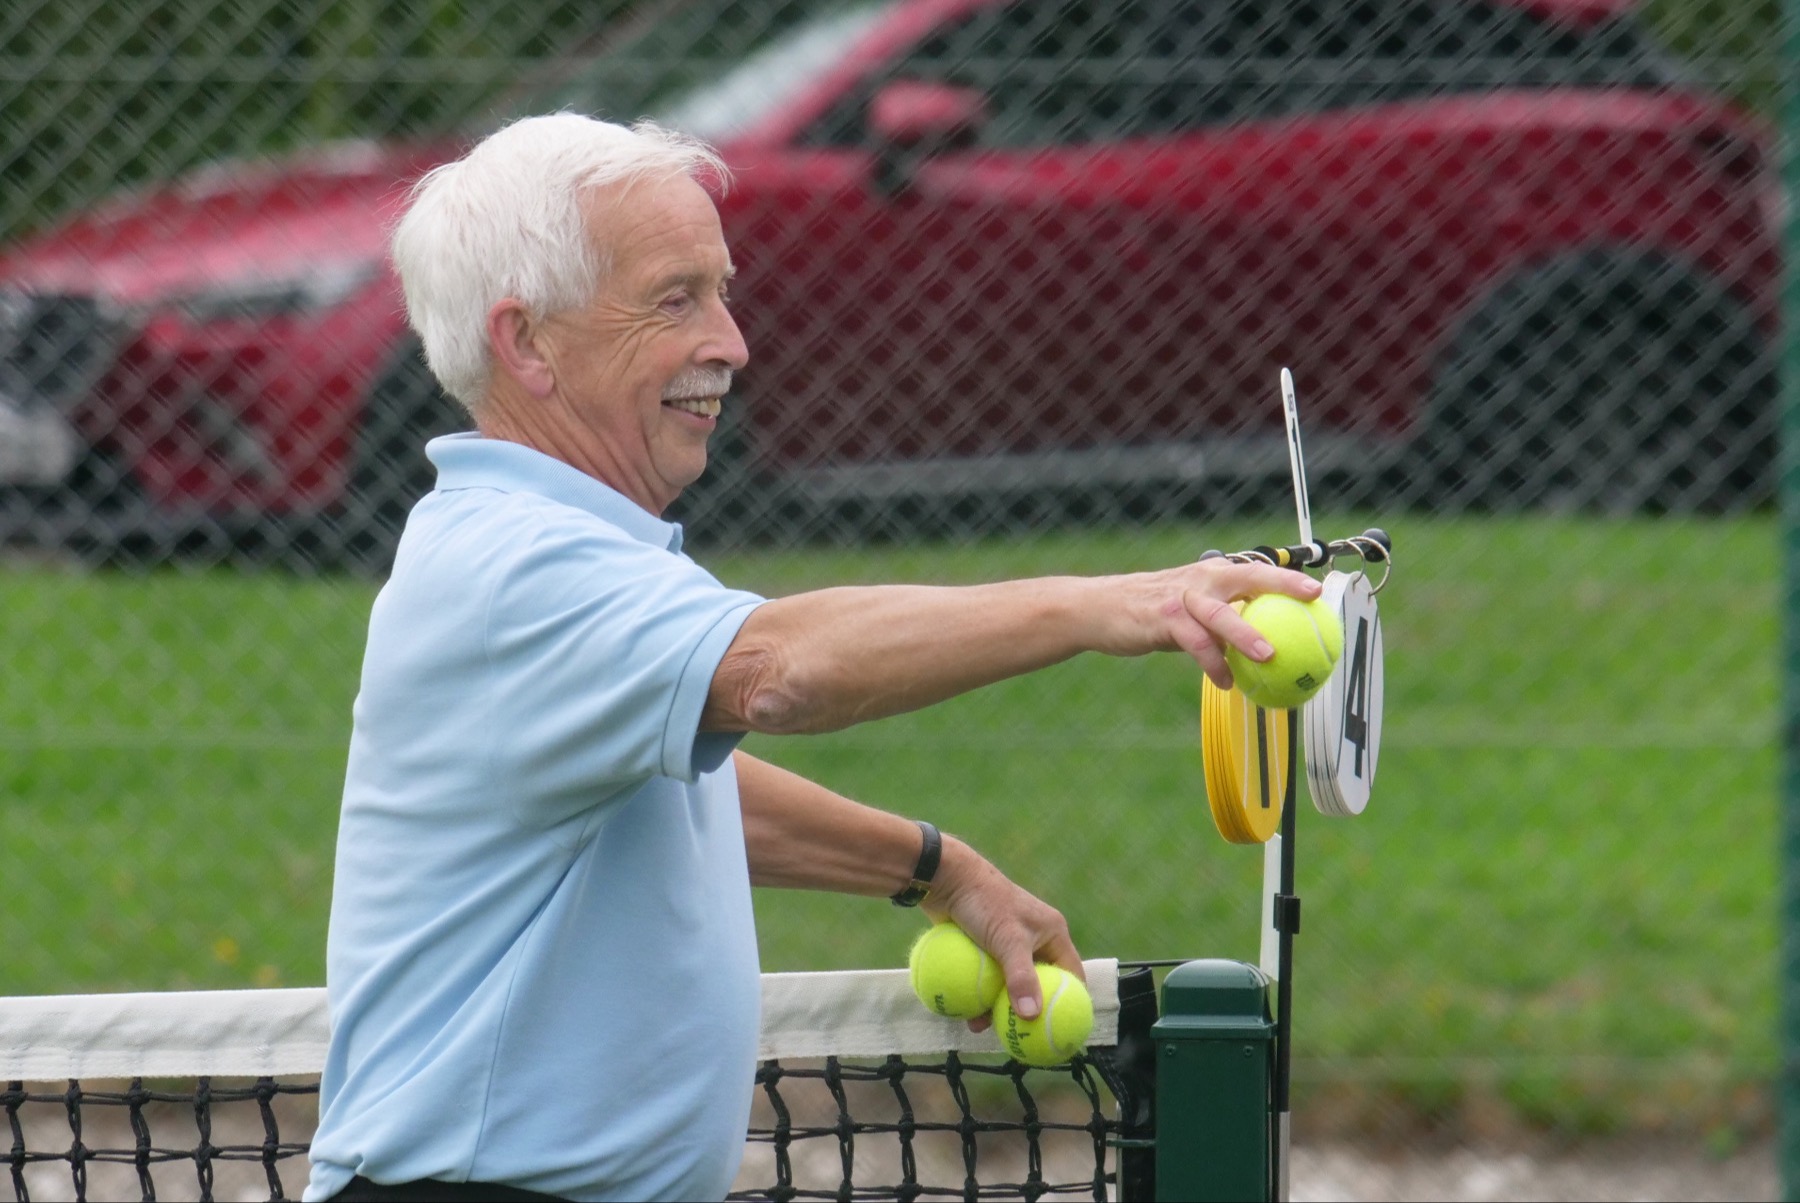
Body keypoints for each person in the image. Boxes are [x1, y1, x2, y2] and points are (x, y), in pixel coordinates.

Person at [302, 113, 1318, 1203]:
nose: (731, 343)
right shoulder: (518, 567)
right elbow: (778, 671)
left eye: (720, 291)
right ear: (527, 342)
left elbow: (677, 797)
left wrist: (934, 867)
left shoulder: (536, 551)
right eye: (675, 298)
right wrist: (1117, 604)